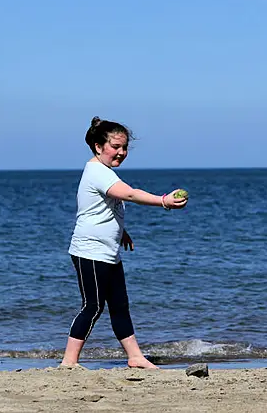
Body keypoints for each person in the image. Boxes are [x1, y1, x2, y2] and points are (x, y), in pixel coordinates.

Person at [60, 116, 188, 369]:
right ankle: (69, 361)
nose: (121, 152)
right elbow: (129, 193)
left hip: (107, 251)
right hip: (90, 251)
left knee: (120, 305)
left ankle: (135, 357)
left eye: (124, 147)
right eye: (115, 147)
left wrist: (122, 231)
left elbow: (101, 209)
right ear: (98, 146)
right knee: (93, 306)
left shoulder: (103, 172)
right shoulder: (97, 172)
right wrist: (163, 200)